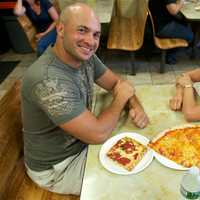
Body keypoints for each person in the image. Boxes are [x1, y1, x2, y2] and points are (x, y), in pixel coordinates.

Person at [21, 3, 149, 195]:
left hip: (81, 143)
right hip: (58, 167)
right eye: (82, 30)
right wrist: (122, 98)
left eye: (96, 34)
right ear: (61, 29)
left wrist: (134, 104)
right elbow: (97, 134)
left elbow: (117, 83)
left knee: (143, 148)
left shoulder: (83, 55)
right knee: (136, 181)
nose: (90, 41)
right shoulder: (48, 80)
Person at [148, 0, 193, 64]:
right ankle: (171, 57)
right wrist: (182, 2)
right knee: (190, 36)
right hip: (162, 28)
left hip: (157, 24)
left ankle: (170, 53)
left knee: (185, 24)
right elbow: (173, 11)